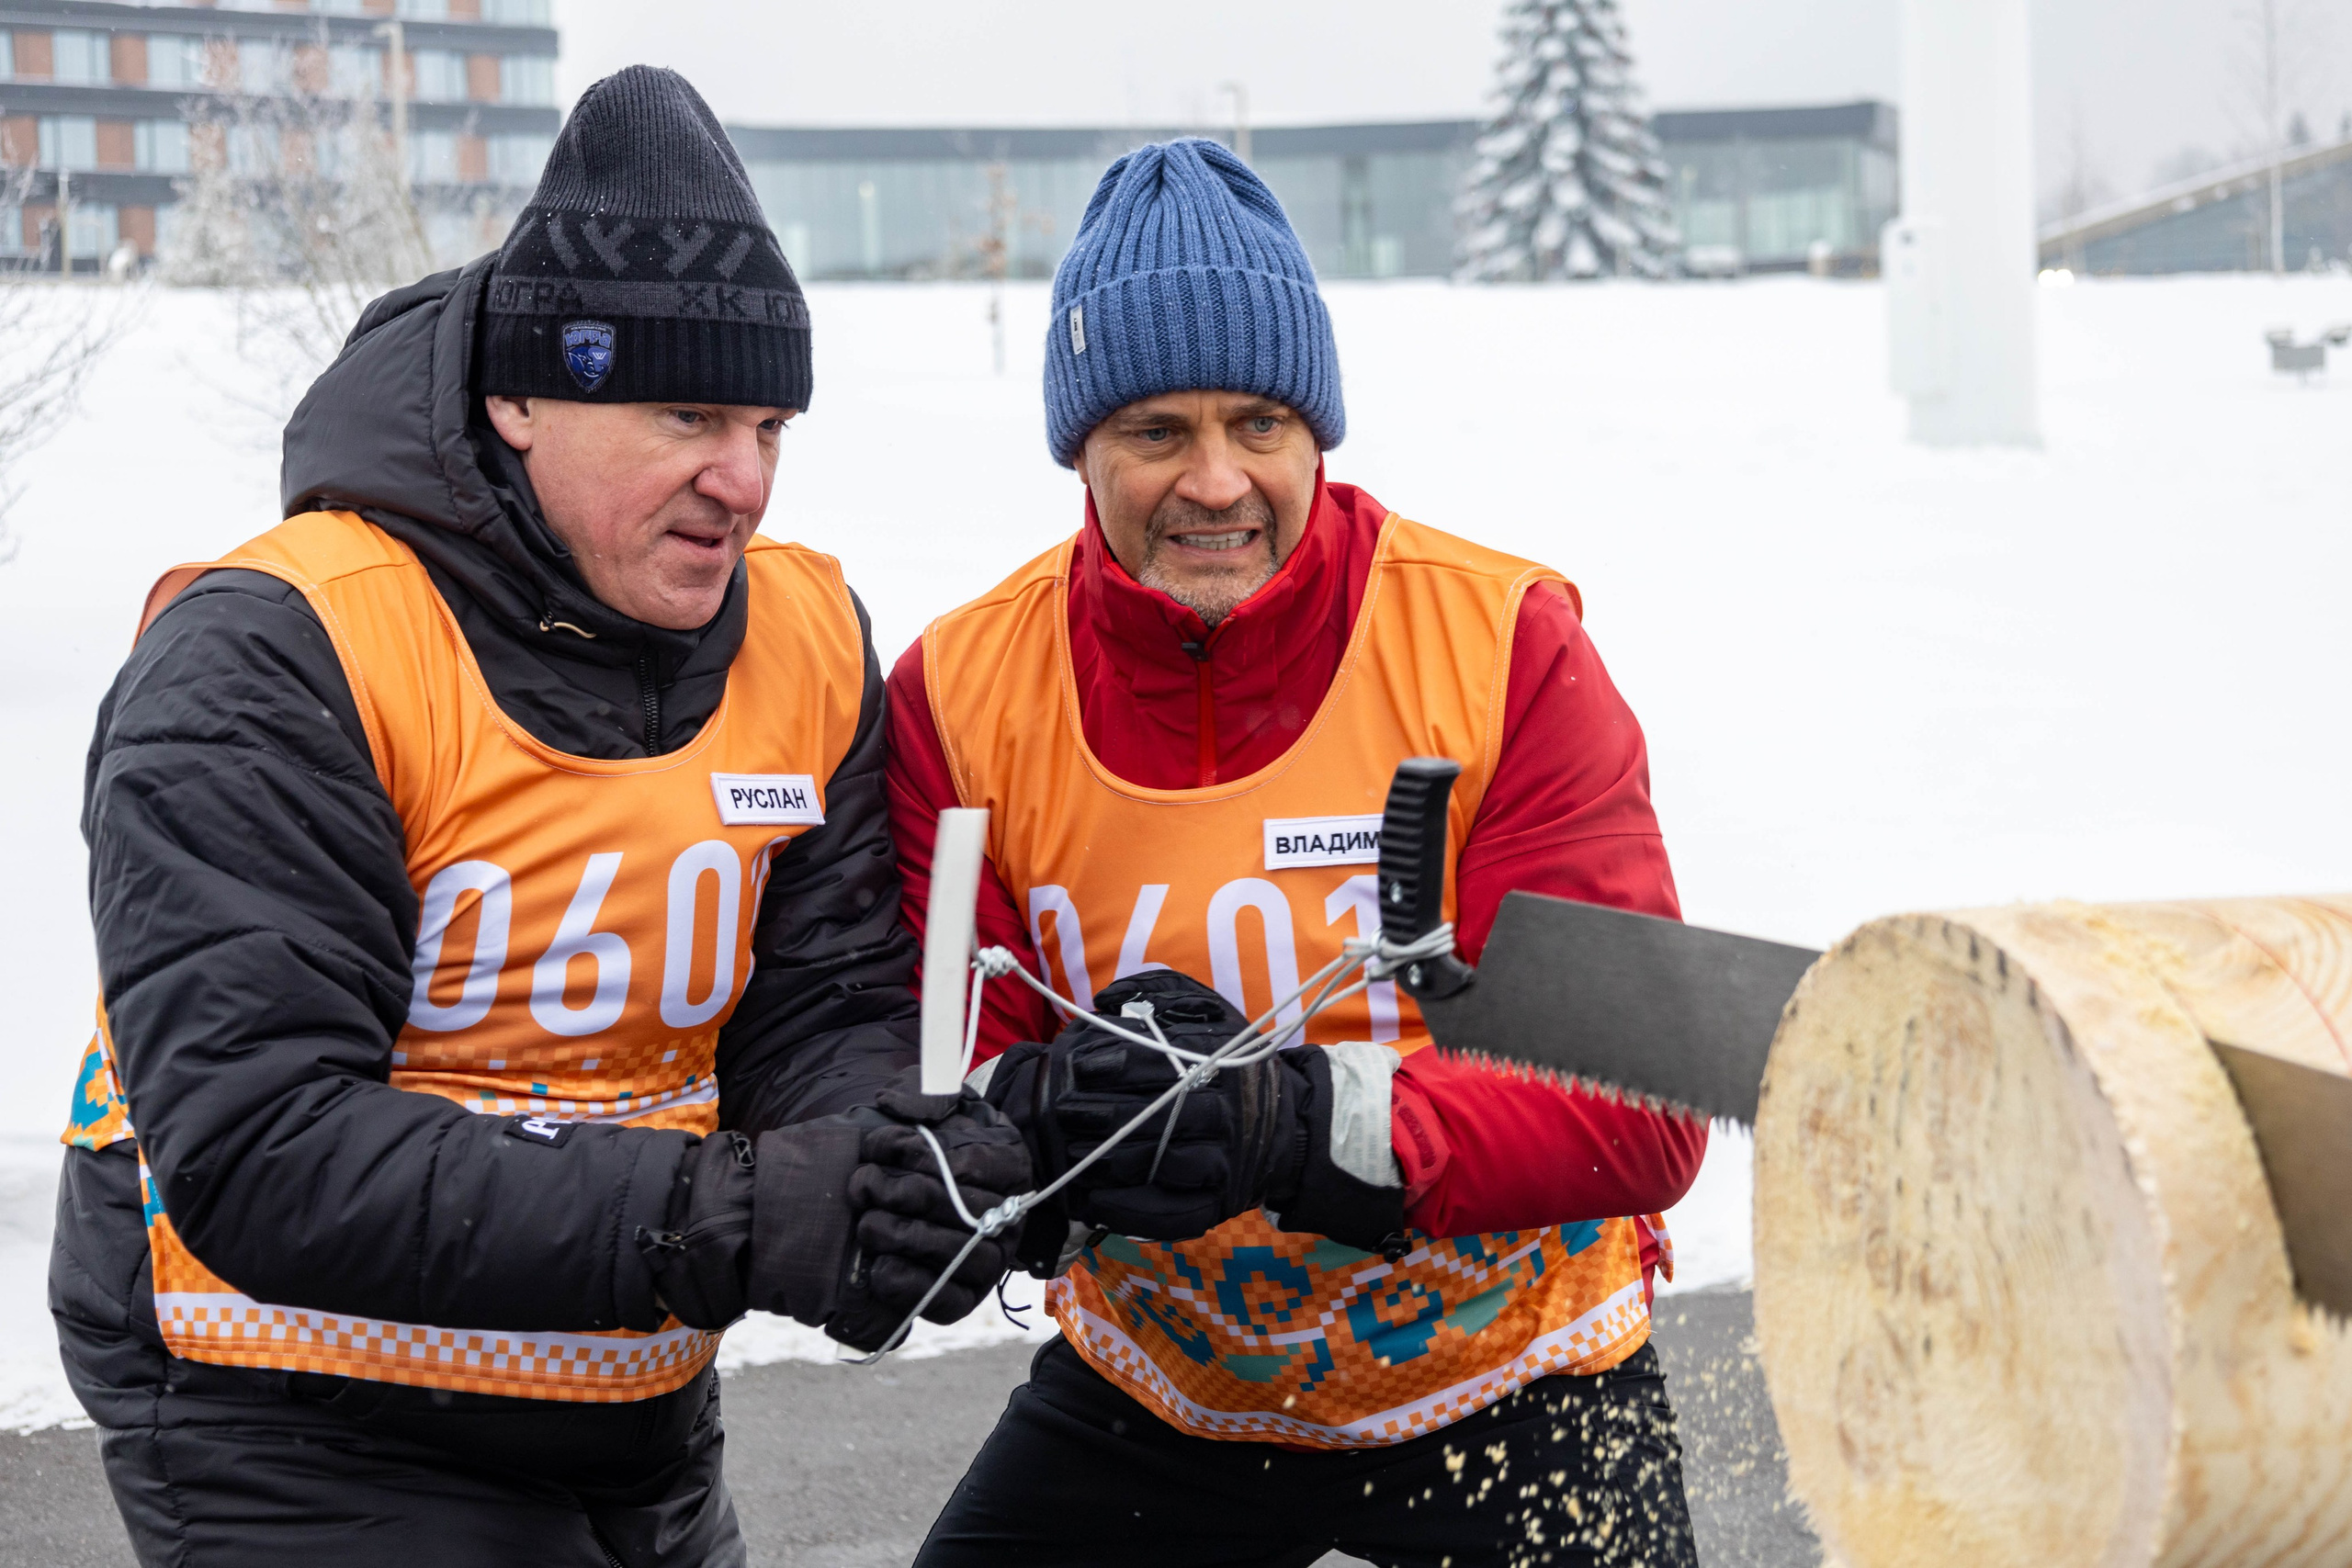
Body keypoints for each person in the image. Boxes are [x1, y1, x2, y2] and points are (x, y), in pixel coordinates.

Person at [50, 67, 1025, 1568]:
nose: (744, 481)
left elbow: (816, 1003)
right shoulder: (277, 651)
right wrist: (734, 1217)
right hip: (290, 1398)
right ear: (520, 399)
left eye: (770, 424)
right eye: (686, 412)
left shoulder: (807, 633)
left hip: (621, 1383)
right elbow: (265, 1143)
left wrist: (885, 1171)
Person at [888, 139, 1709, 1566]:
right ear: (1080, 447)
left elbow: (1639, 1103)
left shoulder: (1503, 646)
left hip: (1513, 1379)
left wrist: (1288, 1123)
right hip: (1165, 1399)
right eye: (1157, 432)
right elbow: (943, 1073)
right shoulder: (958, 693)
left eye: (1260, 423)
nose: (1218, 483)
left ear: (1317, 433)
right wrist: (1039, 1123)